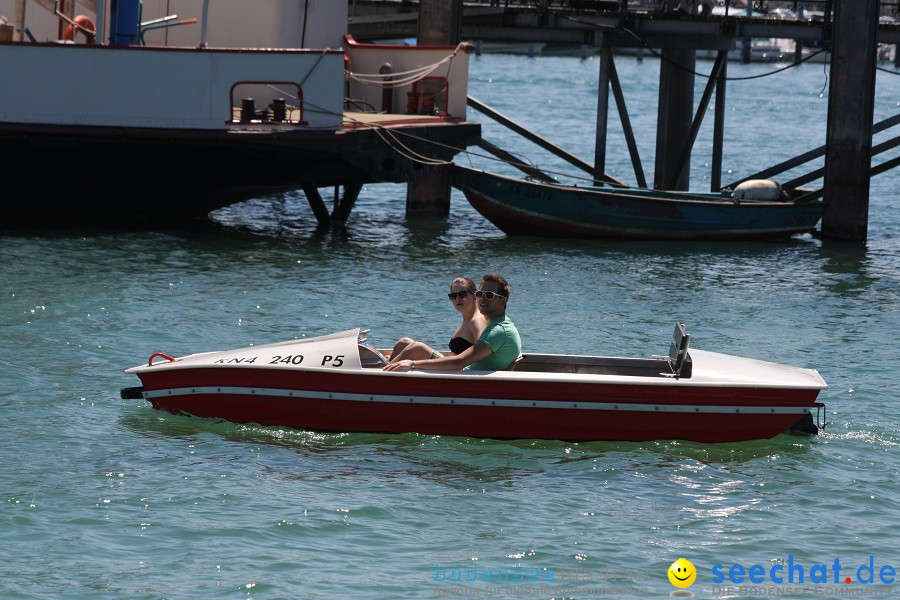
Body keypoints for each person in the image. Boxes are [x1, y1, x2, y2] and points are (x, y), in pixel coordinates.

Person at [383, 274, 521, 373]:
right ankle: (385, 369)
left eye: (489, 295)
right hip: (464, 374)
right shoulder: (499, 326)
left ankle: (381, 375)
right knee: (405, 343)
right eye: (481, 294)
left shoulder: (497, 330)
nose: (483, 299)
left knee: (416, 348)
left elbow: (459, 362)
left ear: (503, 300)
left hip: (464, 379)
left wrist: (412, 364)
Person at [388, 277, 487, 364]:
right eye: (453, 296)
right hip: (452, 362)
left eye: (462, 295)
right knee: (403, 343)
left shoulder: (477, 320)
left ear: (475, 296)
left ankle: (384, 373)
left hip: (459, 368)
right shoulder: (467, 319)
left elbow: (482, 353)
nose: (457, 299)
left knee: (417, 347)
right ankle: (386, 367)